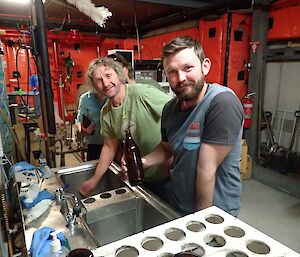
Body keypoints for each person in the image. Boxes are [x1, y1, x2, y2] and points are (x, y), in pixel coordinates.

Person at [139, 36, 244, 216]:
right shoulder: (170, 109)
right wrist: (141, 162)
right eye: (172, 72)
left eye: (188, 68)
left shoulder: (221, 102)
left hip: (214, 212)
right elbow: (166, 149)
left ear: (205, 66)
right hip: (178, 203)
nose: (180, 78)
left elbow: (206, 169)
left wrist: (201, 222)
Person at [79, 57, 171, 198]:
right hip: (141, 175)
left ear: (118, 74)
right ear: (94, 86)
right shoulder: (106, 112)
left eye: (108, 76)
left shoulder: (142, 93)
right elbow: (110, 146)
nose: (105, 83)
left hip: (167, 174)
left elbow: (176, 115)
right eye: (98, 80)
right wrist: (94, 180)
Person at [76, 84, 107, 161]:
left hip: (115, 144)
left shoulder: (114, 96)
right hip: (95, 144)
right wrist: (82, 130)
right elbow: (79, 120)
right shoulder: (85, 99)